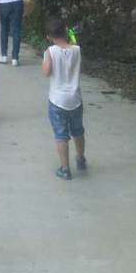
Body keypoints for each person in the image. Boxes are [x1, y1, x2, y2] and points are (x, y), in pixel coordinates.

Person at [42, 17, 86, 180]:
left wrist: (45, 60)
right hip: (75, 99)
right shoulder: (77, 49)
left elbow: (46, 72)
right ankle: (80, 159)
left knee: (61, 135)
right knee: (78, 131)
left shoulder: (50, 52)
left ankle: (65, 168)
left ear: (48, 36)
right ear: (65, 32)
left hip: (57, 100)